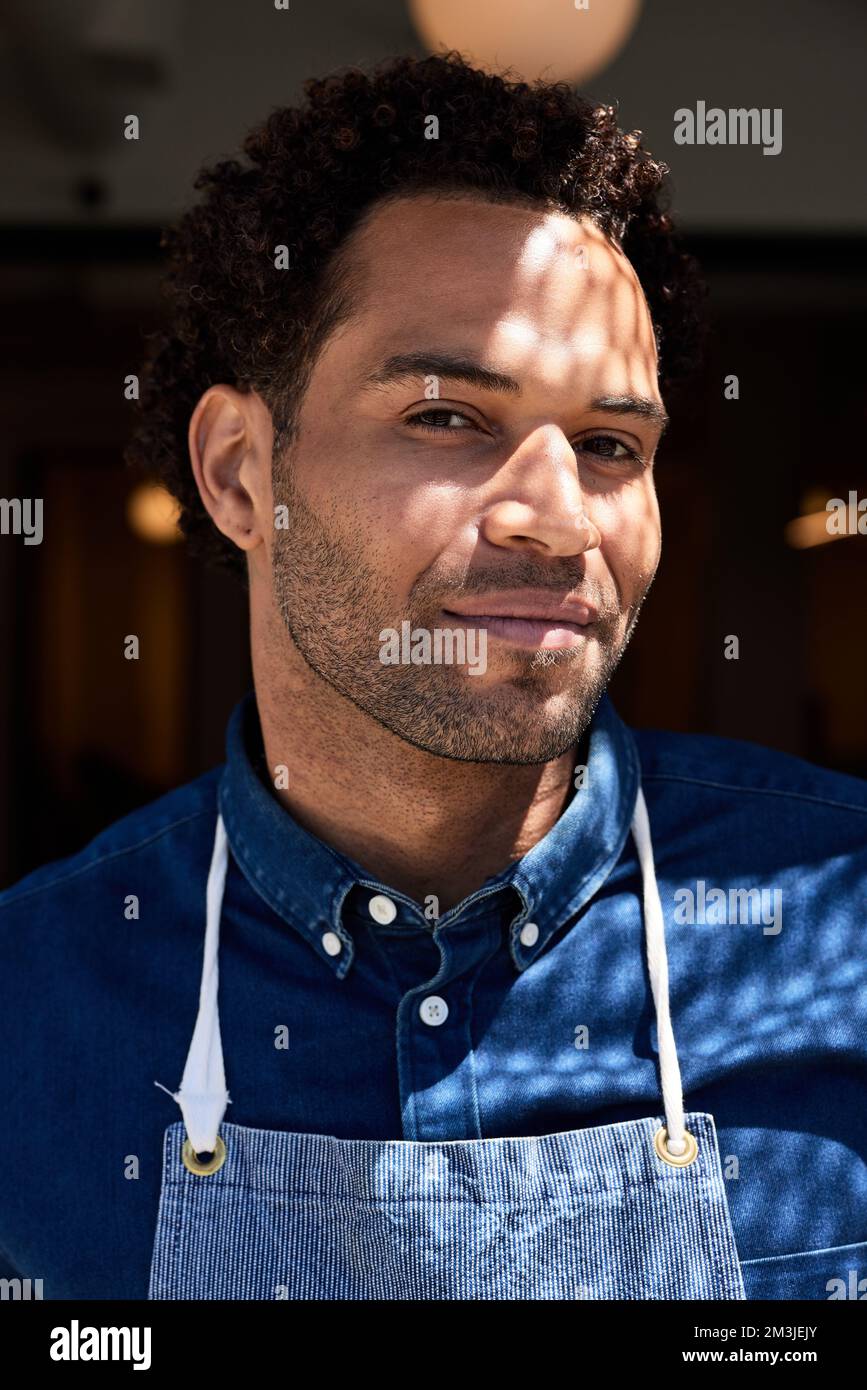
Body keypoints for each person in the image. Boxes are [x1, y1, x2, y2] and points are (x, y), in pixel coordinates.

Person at [1, 51, 865, 1302]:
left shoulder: (835, 925)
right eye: (449, 417)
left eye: (611, 444)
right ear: (243, 472)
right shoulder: (35, 1002)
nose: (560, 518)